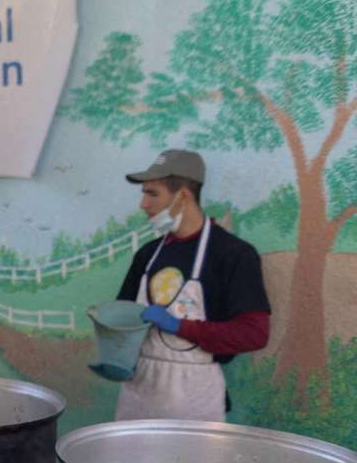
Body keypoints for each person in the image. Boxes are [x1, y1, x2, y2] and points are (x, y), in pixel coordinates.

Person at [115, 149, 270, 422]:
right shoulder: (148, 254)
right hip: (140, 388)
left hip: (195, 392)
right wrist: (115, 347)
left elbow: (254, 334)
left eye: (152, 194)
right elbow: (123, 316)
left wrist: (180, 326)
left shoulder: (233, 254)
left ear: (182, 196)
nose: (143, 204)